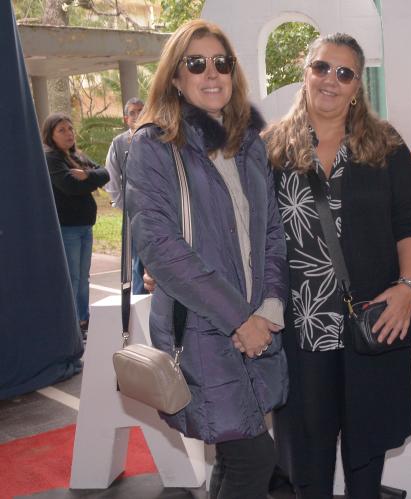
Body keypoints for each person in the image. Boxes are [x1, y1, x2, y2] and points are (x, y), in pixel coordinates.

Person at [125, 19, 288, 499]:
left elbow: (271, 232)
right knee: (254, 459)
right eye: (196, 63)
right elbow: (160, 248)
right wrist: (239, 318)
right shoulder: (155, 145)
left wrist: (269, 307)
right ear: (175, 77)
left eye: (222, 62)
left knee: (234, 451)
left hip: (257, 324)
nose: (211, 73)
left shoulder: (249, 143)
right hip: (200, 328)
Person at [264, 33, 411, 498]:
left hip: (371, 320)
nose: (331, 80)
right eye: (321, 67)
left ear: (357, 86)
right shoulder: (270, 148)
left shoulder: (385, 144)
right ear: (305, 72)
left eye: (344, 73)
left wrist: (408, 287)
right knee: (306, 455)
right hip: (299, 329)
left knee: (366, 451)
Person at [43, 113, 111, 337]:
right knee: (72, 278)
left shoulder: (77, 156)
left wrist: (86, 175)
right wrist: (91, 180)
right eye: (62, 130)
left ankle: (83, 320)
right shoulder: (52, 159)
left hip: (85, 227)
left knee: (83, 277)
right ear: (51, 135)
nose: (69, 133)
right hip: (68, 228)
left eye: (70, 128)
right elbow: (71, 187)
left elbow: (105, 173)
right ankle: (70, 325)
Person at [103, 97, 147, 294]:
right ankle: (139, 299)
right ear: (125, 119)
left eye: (141, 111)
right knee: (138, 261)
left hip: (161, 209)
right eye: (132, 112)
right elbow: (111, 177)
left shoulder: (158, 138)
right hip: (133, 212)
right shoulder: (118, 143)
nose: (138, 115)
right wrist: (124, 204)